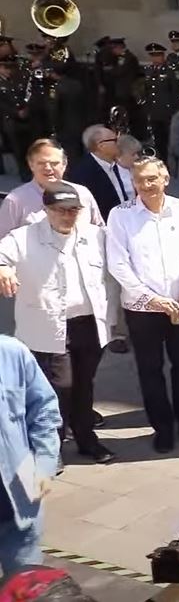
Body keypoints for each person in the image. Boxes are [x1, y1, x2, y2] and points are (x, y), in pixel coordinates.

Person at [0, 184, 114, 464]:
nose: (67, 215)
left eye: (73, 210)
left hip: (88, 322)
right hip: (48, 324)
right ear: (46, 210)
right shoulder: (23, 236)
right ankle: (50, 447)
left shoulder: (94, 235)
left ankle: (87, 440)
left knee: (84, 384)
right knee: (59, 387)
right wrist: (3, 268)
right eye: (60, 210)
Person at [106, 156, 179, 454]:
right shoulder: (120, 215)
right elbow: (118, 264)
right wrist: (154, 299)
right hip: (143, 308)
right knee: (150, 369)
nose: (147, 185)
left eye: (152, 178)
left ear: (165, 178)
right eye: (140, 180)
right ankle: (162, 428)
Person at [0, 336, 60, 572]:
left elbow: (44, 410)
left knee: (25, 588)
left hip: (21, 507)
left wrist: (44, 466)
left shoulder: (12, 352)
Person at [0, 140, 104, 239]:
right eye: (41, 163)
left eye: (54, 163)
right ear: (31, 165)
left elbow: (100, 231)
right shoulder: (16, 200)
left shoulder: (82, 193)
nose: (48, 168)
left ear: (64, 164)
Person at [65, 124, 131, 220]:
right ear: (101, 146)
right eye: (115, 140)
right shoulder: (84, 172)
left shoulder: (115, 165)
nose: (119, 144)